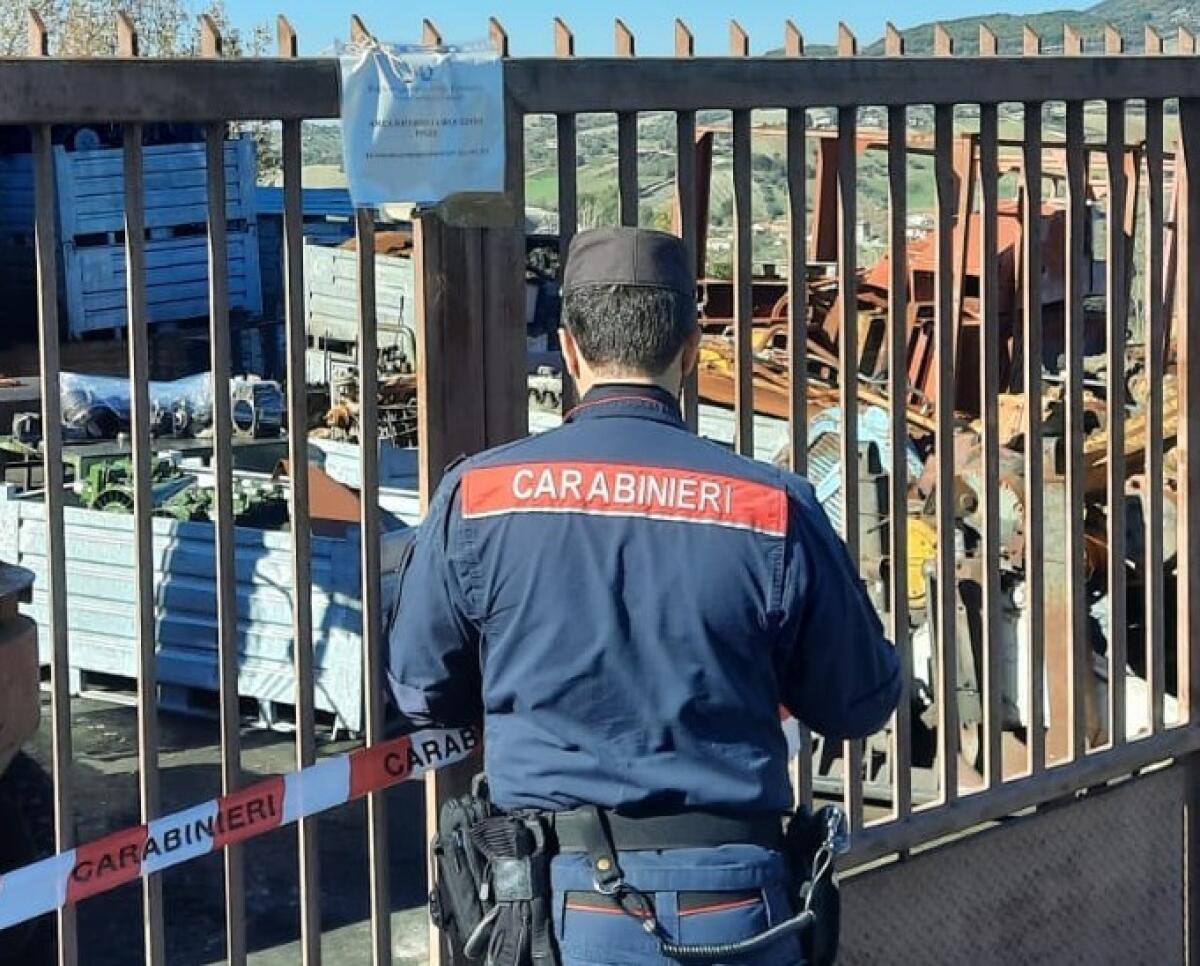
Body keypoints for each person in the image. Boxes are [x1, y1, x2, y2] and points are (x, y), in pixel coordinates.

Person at [388, 226, 901, 965]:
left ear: (569, 350)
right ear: (691, 348)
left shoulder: (480, 496)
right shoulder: (772, 506)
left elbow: (422, 690)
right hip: (738, 905)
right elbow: (858, 702)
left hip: (555, 910)